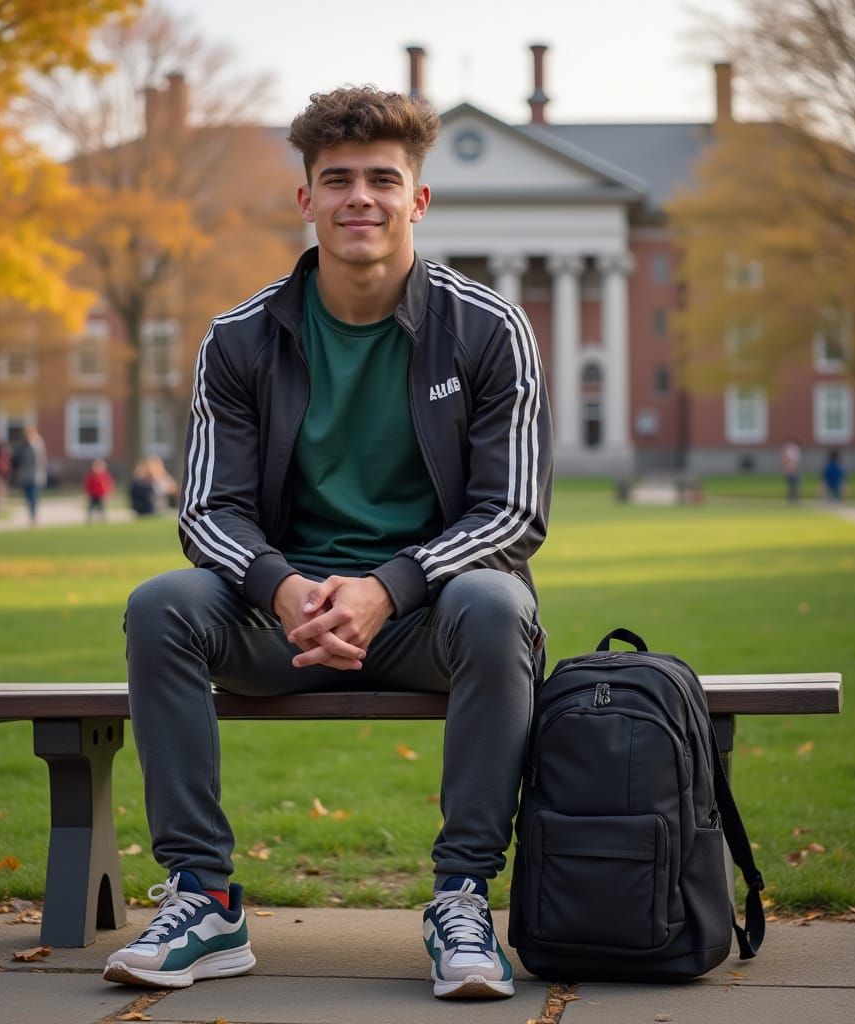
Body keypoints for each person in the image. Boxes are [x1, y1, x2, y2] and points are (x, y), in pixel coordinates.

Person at [103, 86, 552, 1001]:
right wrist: (282, 586)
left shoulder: (487, 330)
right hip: (285, 624)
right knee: (162, 605)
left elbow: (513, 515)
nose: (361, 198)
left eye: (384, 179)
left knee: (498, 599)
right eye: (336, 179)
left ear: (418, 199)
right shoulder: (240, 337)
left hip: (430, 622)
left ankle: (462, 898)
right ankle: (207, 897)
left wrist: (387, 585)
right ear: (305, 200)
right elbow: (205, 513)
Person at [11, 425, 48, 524]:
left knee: (34, 495)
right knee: (28, 496)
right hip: (25, 475)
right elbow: (15, 460)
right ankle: (31, 514)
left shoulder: (38, 445)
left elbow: (42, 460)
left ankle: (34, 515)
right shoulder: (21, 446)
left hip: (36, 475)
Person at [84, 458, 115, 522]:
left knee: (101, 508)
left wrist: (109, 493)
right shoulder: (92, 475)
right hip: (93, 494)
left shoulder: (104, 475)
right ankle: (89, 520)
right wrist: (88, 493)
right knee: (91, 508)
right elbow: (88, 485)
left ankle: (103, 520)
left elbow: (109, 484)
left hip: (101, 494)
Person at [779, 438, 802, 503]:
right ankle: (791, 498)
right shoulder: (788, 449)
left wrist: (793, 468)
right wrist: (786, 468)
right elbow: (785, 460)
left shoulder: (794, 450)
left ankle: (795, 498)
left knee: (795, 484)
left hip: (794, 470)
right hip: (790, 470)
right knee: (790, 485)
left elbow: (795, 461)